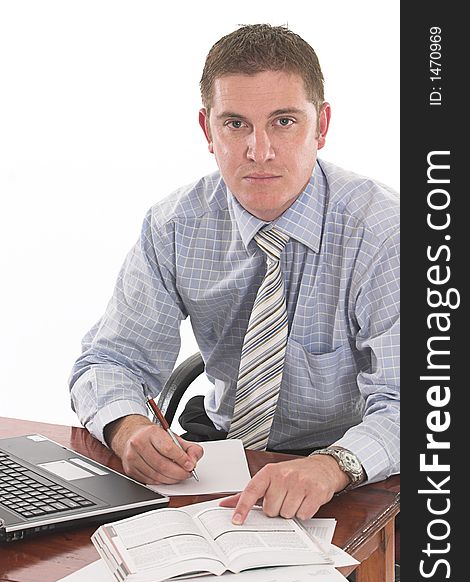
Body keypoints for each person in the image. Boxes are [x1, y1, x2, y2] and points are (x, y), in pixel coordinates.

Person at [69, 23, 399, 525]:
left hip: (352, 460)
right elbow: (109, 359)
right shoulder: (175, 224)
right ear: (208, 130)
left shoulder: (383, 233)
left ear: (322, 125)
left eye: (284, 122)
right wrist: (128, 426)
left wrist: (332, 466)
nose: (259, 150)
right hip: (220, 454)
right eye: (236, 124)